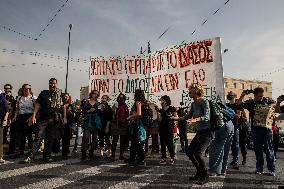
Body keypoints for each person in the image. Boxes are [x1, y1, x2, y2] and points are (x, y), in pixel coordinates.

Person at [22, 78, 66, 163]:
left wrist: (64, 117)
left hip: (54, 119)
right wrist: (34, 116)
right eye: (51, 83)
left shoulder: (60, 94)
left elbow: (63, 106)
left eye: (54, 83)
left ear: (56, 84)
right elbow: (37, 105)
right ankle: (31, 156)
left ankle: (47, 156)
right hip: (43, 119)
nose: (52, 85)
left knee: (49, 138)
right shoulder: (44, 93)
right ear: (49, 84)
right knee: (38, 137)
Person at [237, 87, 276, 176]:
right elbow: (239, 105)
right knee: (258, 150)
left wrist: (270, 107)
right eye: (259, 96)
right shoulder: (251, 102)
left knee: (269, 150)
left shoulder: (267, 100)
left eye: (262, 96)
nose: (261, 98)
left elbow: (274, 105)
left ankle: (272, 169)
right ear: (254, 95)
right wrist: (242, 95)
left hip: (267, 130)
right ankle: (259, 169)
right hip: (256, 130)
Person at [181, 83, 212, 185]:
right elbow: (188, 116)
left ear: (197, 91)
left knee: (198, 153)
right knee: (190, 152)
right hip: (199, 132)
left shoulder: (204, 101)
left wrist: (196, 120)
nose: (189, 92)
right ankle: (199, 172)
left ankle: (205, 176)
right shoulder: (193, 104)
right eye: (189, 90)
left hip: (207, 131)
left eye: (191, 90)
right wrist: (176, 118)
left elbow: (207, 116)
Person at [13, 84, 37, 156]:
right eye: (26, 89)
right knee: (20, 135)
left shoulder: (33, 98)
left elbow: (36, 108)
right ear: (23, 89)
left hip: (29, 116)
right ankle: (20, 151)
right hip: (21, 116)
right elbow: (17, 109)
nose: (28, 90)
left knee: (29, 134)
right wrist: (15, 116)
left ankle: (30, 151)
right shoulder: (19, 98)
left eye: (29, 89)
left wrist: (33, 117)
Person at [126, 89, 147, 166]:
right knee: (136, 142)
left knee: (136, 142)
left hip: (137, 124)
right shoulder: (143, 102)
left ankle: (140, 159)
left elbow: (139, 113)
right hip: (140, 124)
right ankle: (133, 158)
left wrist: (130, 117)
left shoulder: (138, 102)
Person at [156, 95, 178, 165]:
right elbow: (159, 120)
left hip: (169, 127)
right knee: (162, 144)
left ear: (165, 101)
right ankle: (163, 158)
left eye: (162, 100)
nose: (161, 101)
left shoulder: (172, 108)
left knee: (170, 143)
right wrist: (158, 113)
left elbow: (176, 117)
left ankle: (172, 157)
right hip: (162, 127)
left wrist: (171, 117)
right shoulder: (161, 109)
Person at [81, 90, 102, 160]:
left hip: (95, 123)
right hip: (88, 122)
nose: (95, 95)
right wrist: (89, 111)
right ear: (91, 94)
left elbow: (101, 113)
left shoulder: (99, 104)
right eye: (94, 93)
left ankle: (91, 153)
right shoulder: (86, 102)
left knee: (94, 139)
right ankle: (83, 153)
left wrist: (103, 109)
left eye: (97, 94)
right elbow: (83, 112)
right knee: (85, 138)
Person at [111, 93, 129, 161]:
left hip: (123, 125)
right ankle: (113, 155)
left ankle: (121, 155)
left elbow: (127, 114)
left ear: (124, 99)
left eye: (121, 98)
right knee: (115, 140)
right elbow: (113, 113)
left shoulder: (125, 105)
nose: (120, 99)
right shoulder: (116, 104)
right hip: (116, 124)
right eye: (119, 97)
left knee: (122, 141)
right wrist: (114, 109)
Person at [225, 91, 240, 170]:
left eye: (231, 95)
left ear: (234, 96)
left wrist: (230, 115)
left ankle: (235, 161)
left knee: (235, 145)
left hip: (235, 127)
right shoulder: (226, 105)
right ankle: (227, 161)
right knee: (227, 144)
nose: (230, 96)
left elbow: (238, 116)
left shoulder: (237, 105)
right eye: (229, 95)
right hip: (227, 127)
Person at [0, 90, 9, 163]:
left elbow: (6, 108)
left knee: (0, 139)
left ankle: (0, 157)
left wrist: (5, 119)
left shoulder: (0, 95)